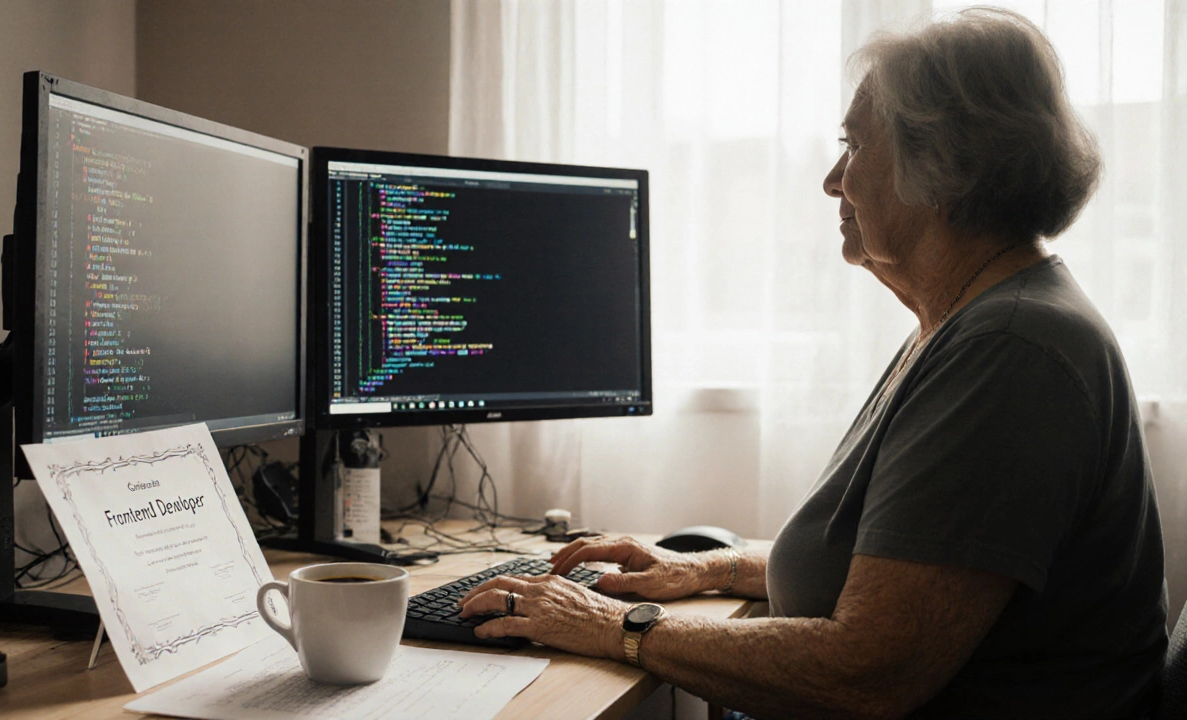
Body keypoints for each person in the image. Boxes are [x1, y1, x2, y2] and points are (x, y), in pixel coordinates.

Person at [458, 8, 1168, 719]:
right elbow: (899, 578)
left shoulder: (1011, 351)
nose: (833, 181)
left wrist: (608, 625)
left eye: (854, 146)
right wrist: (707, 568)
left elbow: (867, 672)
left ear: (945, 164)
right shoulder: (969, 323)